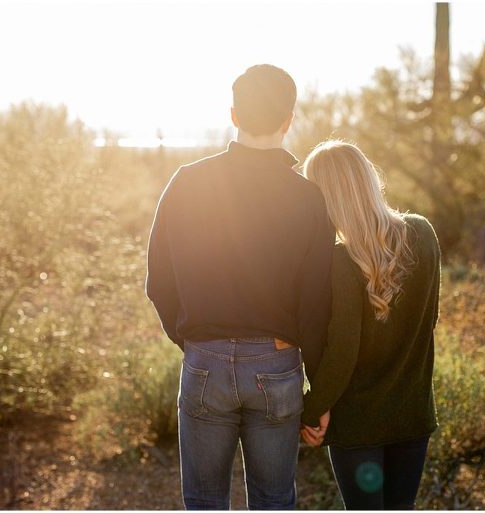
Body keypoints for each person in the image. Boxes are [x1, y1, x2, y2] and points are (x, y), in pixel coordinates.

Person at [145, 64, 335, 510]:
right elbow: (316, 302)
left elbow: (159, 281)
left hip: (203, 361)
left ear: (233, 114)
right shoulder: (309, 198)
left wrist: (195, 339)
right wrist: (320, 388)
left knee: (204, 501)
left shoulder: (187, 182)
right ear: (289, 119)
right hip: (277, 363)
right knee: (273, 500)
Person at [298, 140, 440, 510]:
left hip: (358, 425)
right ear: (367, 179)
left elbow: (342, 348)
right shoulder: (423, 234)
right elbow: (430, 320)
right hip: (412, 415)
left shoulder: (340, 261)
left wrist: (311, 409)